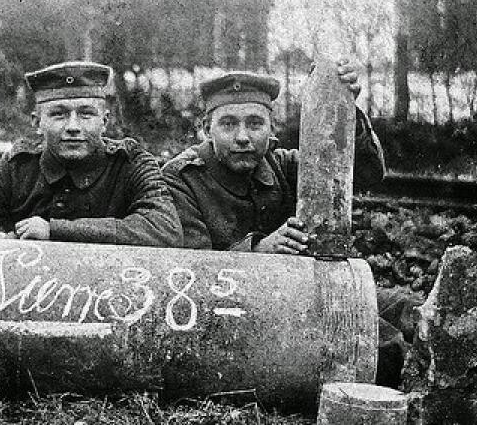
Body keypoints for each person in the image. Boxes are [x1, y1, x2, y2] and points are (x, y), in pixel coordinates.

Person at [161, 63, 418, 387]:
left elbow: (367, 175)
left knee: (411, 309)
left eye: (255, 124)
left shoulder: (282, 164)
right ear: (205, 128)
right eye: (228, 124)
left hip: (307, 289)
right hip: (237, 309)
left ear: (271, 129)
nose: (242, 137)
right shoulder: (181, 178)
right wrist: (259, 251)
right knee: (385, 346)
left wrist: (346, 110)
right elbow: (189, 273)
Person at [0, 61, 182, 247]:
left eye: (86, 114)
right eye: (58, 114)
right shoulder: (16, 168)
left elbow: (165, 231)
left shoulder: (131, 163)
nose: (73, 126)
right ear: (37, 122)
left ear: (104, 121)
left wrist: (56, 231)